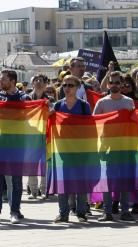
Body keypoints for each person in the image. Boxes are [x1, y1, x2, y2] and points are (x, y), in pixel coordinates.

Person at [0, 70, 32, 225]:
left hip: (18, 144)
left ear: (12, 81)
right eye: (0, 79)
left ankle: (14, 212)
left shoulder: (25, 97)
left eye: (3, 79)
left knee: (16, 181)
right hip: (0, 143)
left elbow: (32, 116)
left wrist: (45, 106)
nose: (0, 81)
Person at [93, 71, 135, 222]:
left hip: (125, 146)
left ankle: (125, 211)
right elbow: (94, 123)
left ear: (122, 84)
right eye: (112, 82)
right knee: (107, 180)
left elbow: (134, 123)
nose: (114, 85)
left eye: (117, 82)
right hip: (107, 146)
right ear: (108, 84)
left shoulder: (129, 101)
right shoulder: (102, 102)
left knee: (124, 179)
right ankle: (107, 212)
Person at [53, 75, 92, 223]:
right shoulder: (57, 106)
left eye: (71, 85)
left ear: (77, 87)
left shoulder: (84, 106)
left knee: (80, 182)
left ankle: (81, 212)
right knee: (63, 183)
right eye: (65, 85)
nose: (67, 88)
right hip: (62, 150)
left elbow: (89, 128)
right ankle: (63, 213)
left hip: (81, 150)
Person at [28, 74, 56, 200]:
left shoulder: (50, 100)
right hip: (30, 134)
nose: (38, 82)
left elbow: (53, 113)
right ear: (32, 83)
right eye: (36, 80)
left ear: (45, 85)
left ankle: (44, 190)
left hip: (46, 134)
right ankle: (33, 191)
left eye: (41, 81)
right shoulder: (26, 98)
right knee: (31, 163)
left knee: (45, 163)